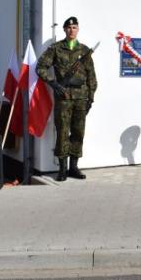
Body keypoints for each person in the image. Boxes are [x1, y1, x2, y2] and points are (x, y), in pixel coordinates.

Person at [36, 17, 97, 181]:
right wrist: (53, 83)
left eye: (75, 27)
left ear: (78, 30)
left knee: (78, 132)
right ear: (64, 30)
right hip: (63, 98)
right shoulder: (56, 49)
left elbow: (91, 76)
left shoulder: (84, 51)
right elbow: (40, 67)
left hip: (81, 98)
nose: (72, 30)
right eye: (69, 27)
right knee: (63, 131)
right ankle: (62, 169)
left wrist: (91, 97)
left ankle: (74, 167)